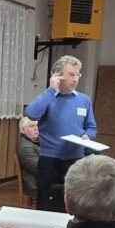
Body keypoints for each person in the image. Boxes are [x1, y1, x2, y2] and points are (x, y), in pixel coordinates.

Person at [25, 54, 97, 212]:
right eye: (71, 75)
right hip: (50, 160)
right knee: (46, 203)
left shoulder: (84, 100)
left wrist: (87, 135)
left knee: (74, 202)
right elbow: (31, 113)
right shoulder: (48, 98)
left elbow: (91, 127)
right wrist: (52, 89)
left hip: (76, 160)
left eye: (77, 75)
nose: (75, 79)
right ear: (58, 76)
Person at [16, 117, 40, 197]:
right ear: (22, 130)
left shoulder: (35, 141)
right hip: (35, 183)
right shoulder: (25, 147)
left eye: (37, 125)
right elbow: (41, 169)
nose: (36, 128)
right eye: (32, 126)